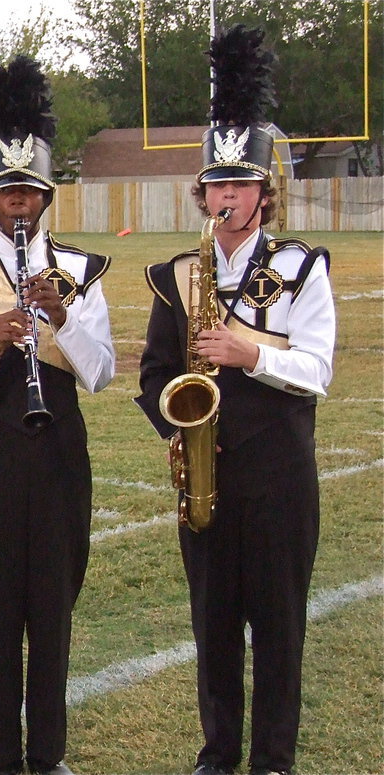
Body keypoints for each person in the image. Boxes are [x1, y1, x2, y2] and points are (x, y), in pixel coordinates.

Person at [135, 26, 334, 775]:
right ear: (204, 193)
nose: (227, 197)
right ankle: (217, 753)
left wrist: (251, 351)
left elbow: (318, 368)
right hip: (205, 470)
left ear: (262, 192)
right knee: (214, 624)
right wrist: (173, 425)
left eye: (240, 185)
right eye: (216, 185)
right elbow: (155, 374)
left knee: (278, 627)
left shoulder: (300, 268)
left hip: (280, 471)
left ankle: (273, 759)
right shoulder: (176, 274)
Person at [0, 56, 114, 775]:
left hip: (61, 459)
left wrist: (62, 321)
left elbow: (100, 371)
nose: (18, 204)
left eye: (29, 192)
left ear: (46, 196)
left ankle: (50, 757)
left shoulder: (79, 269)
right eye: (6, 193)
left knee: (55, 612)